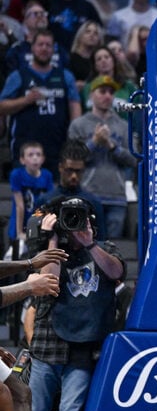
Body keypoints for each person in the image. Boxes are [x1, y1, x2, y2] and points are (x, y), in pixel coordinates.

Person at [31, 197, 124, 411]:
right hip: (48, 341)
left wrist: (89, 243)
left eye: (78, 217)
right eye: (68, 217)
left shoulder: (103, 247)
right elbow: (49, 285)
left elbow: (116, 273)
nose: (74, 223)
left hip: (83, 344)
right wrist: (54, 239)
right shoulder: (45, 250)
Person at [0, 28, 81, 177]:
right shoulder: (18, 76)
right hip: (25, 149)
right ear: (33, 48)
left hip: (57, 148)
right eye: (40, 44)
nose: (44, 48)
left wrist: (73, 142)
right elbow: (2, 107)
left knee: (56, 197)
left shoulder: (65, 76)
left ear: (53, 49)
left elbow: (75, 109)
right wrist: (26, 100)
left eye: (48, 45)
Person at [66, 74, 136, 239]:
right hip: (87, 194)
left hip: (116, 196)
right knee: (85, 246)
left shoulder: (123, 126)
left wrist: (111, 146)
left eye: (111, 92)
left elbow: (133, 159)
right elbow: (72, 159)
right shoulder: (79, 124)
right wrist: (95, 141)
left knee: (111, 250)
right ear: (91, 94)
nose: (108, 96)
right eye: (102, 91)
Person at [8, 141, 54, 259]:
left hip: (39, 221)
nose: (35, 158)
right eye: (30, 155)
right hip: (21, 222)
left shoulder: (47, 175)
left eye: (38, 155)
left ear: (43, 159)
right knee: (15, 257)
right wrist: (19, 232)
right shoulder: (16, 174)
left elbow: (49, 202)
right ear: (22, 160)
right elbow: (20, 206)